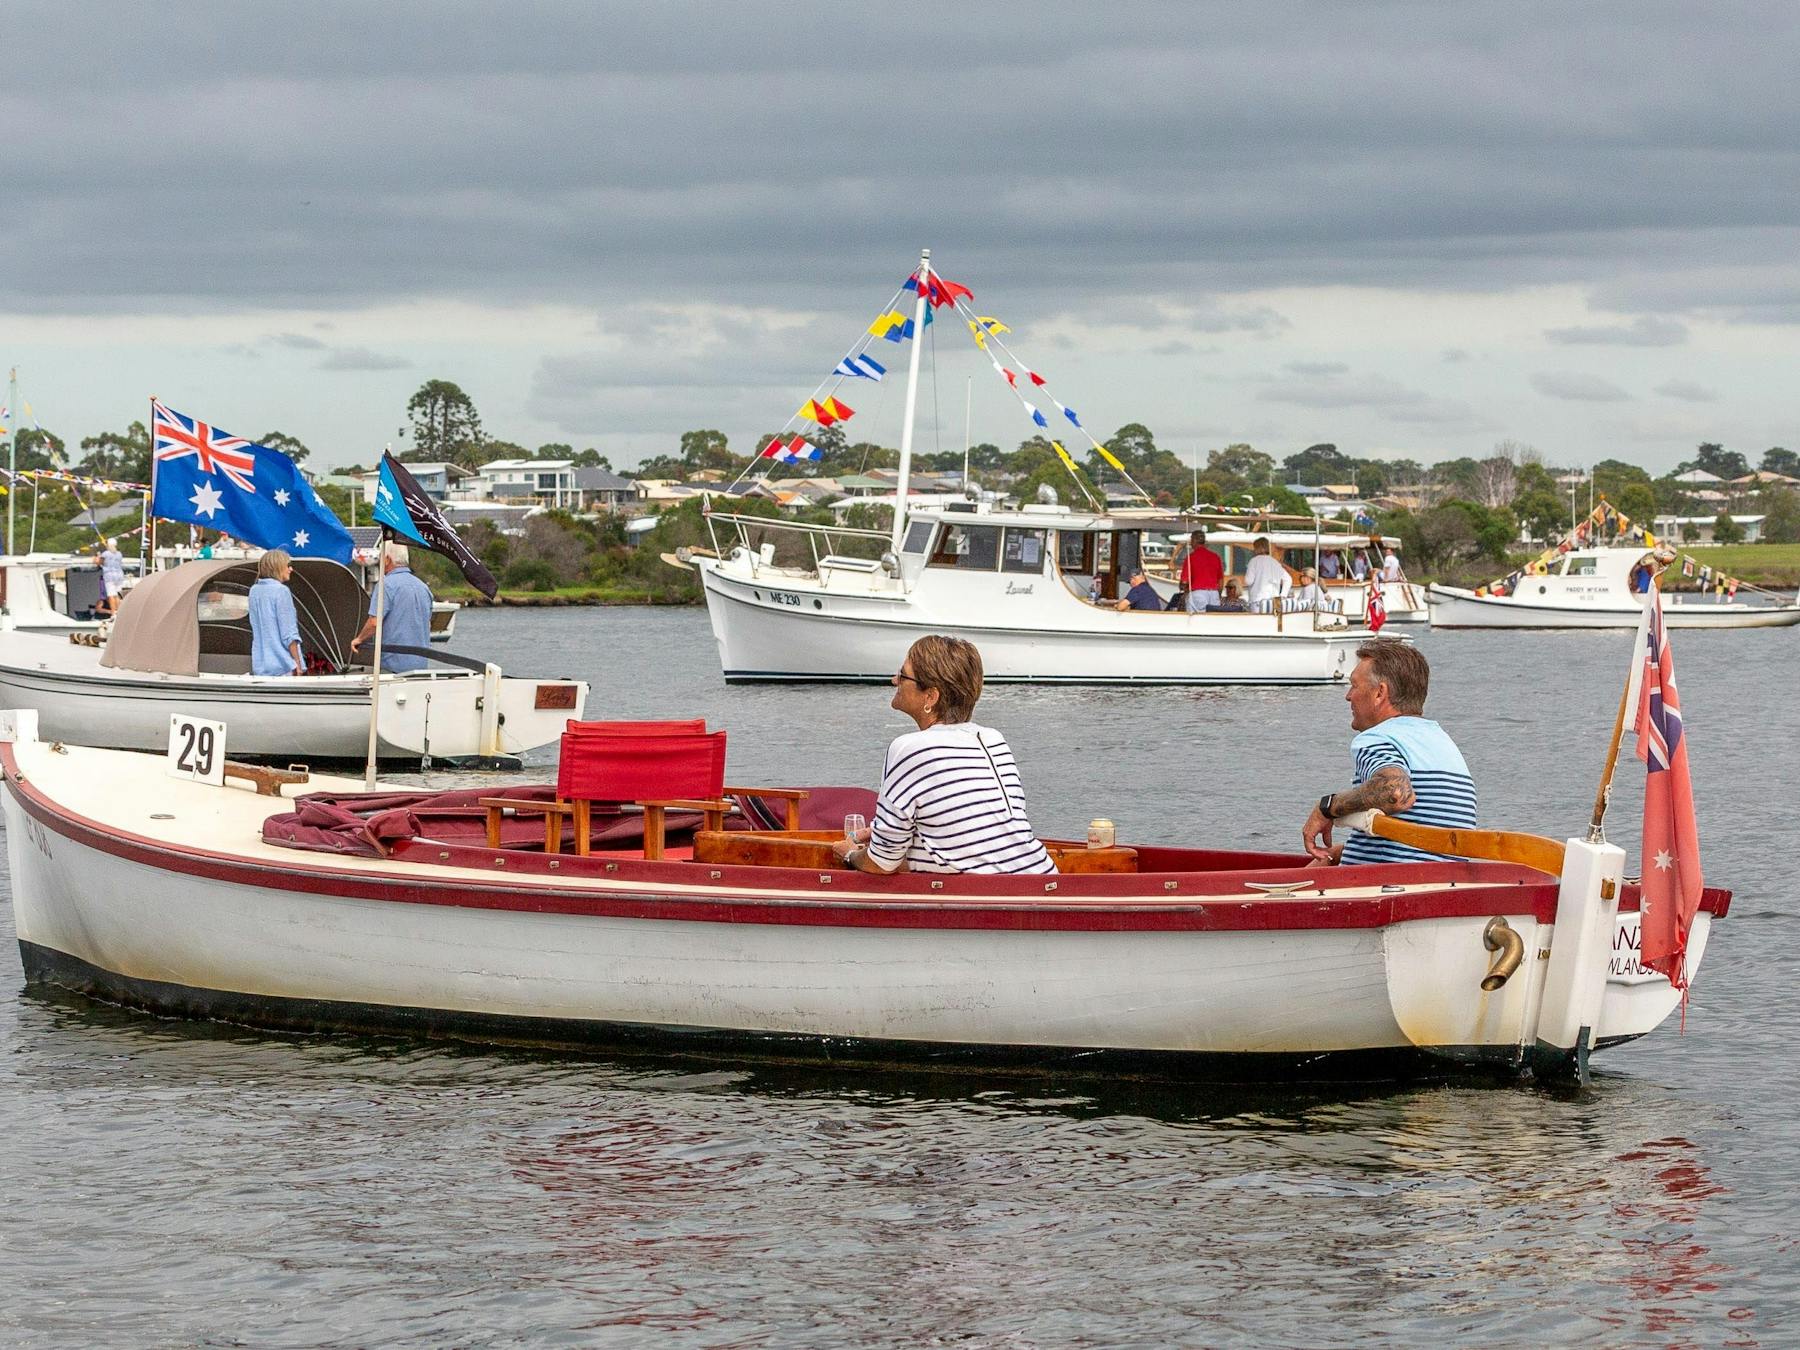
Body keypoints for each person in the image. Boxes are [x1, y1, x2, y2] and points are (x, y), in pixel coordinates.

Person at [831, 636, 1054, 876]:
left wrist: (848, 854)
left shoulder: (910, 748)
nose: (894, 680)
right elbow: (964, 825)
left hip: (987, 897)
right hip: (1041, 880)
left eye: (902, 675)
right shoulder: (993, 738)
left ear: (930, 697)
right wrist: (881, 829)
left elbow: (882, 862)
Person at [1302, 639, 1476, 866]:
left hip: (1392, 889)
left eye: (1354, 685)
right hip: (1447, 882)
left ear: (1379, 693)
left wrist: (1327, 808)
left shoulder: (1378, 737)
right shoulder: (1444, 743)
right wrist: (1341, 854)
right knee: (1330, 859)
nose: (1348, 696)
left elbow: (1394, 792)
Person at [350, 542, 434, 673]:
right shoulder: (423, 587)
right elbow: (428, 625)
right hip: (420, 666)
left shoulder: (385, 585)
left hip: (392, 666)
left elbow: (374, 623)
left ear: (387, 559)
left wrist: (359, 639)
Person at [248, 548, 305, 677]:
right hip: (284, 666)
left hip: (261, 665)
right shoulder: (281, 591)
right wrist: (298, 664)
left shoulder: (254, 591)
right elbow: (289, 633)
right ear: (277, 566)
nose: (291, 569)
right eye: (288, 565)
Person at [1173, 529, 1222, 613]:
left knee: (1196, 621)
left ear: (1195, 541)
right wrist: (1218, 594)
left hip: (1198, 594)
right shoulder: (1215, 557)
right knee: (1213, 621)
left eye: (1191, 540)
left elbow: (1184, 581)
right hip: (1214, 594)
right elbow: (1220, 580)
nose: (1190, 543)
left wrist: (1182, 588)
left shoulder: (1191, 557)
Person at [1242, 537, 1292, 612]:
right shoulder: (1275, 563)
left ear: (1258, 548)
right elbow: (1288, 579)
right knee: (1274, 623)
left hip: (1258, 601)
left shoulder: (1254, 561)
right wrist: (1283, 596)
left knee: (1258, 623)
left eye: (1255, 548)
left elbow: (1249, 581)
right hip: (1275, 602)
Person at [98, 538, 125, 616]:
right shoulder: (119, 554)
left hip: (109, 576)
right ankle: (119, 612)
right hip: (119, 575)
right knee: (118, 595)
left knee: (111, 595)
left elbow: (100, 562)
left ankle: (113, 612)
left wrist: (98, 557)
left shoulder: (105, 554)